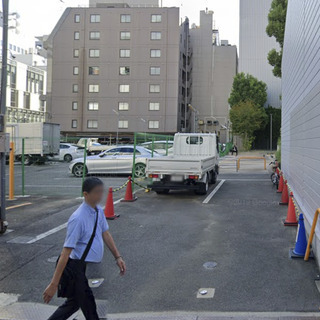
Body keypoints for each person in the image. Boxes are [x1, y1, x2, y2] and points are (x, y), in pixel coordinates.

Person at [43, 177, 126, 320]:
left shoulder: (98, 211)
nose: (100, 195)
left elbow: (105, 233)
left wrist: (117, 257)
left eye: (101, 191)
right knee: (90, 308)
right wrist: (53, 284)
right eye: (96, 192)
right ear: (85, 194)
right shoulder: (78, 218)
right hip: (77, 269)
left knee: (74, 303)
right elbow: (65, 253)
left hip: (89, 269)